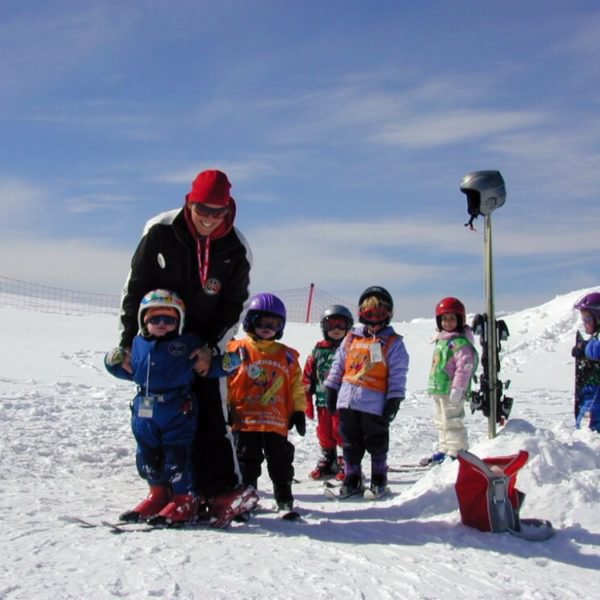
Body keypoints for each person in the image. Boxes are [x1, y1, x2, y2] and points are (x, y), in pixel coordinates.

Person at [115, 169, 255, 523]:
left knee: (209, 414)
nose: (208, 218)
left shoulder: (236, 248)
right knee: (155, 424)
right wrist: (128, 343)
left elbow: (234, 304)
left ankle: (221, 491)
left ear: (229, 209)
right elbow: (135, 288)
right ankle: (161, 491)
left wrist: (211, 349)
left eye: (217, 211)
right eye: (201, 209)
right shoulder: (161, 231)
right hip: (161, 337)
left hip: (203, 346)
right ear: (189, 202)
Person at [105, 289, 242, 525]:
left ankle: (184, 498)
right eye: (154, 319)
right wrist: (112, 360)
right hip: (144, 410)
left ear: (178, 321)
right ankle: (158, 495)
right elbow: (124, 369)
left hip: (177, 409)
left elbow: (210, 367)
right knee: (147, 456)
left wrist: (228, 363)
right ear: (143, 321)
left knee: (176, 456)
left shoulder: (186, 343)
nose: (161, 324)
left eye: (168, 319)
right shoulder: (137, 344)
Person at [324, 286, 409, 498]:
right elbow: (338, 365)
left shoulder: (393, 343)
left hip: (374, 404)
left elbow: (398, 373)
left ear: (388, 315)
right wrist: (331, 388)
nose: (374, 320)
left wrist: (394, 399)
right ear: (361, 314)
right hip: (348, 402)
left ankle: (379, 477)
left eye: (380, 314)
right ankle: (352, 478)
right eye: (369, 314)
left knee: (376, 442)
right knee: (350, 443)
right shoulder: (351, 339)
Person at [226, 293, 306, 512]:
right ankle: (246, 499)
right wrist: (225, 408)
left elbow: (296, 385)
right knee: (246, 462)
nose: (267, 327)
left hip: (275, 420)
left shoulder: (287, 356)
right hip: (245, 419)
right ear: (251, 321)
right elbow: (226, 380)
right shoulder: (236, 349)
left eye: (274, 323)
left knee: (280, 462)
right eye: (262, 322)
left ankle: (284, 497)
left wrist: (299, 410)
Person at [420, 297, 479, 466]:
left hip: (452, 389)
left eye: (452, 318)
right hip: (439, 388)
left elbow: (465, 365)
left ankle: (456, 451)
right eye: (444, 319)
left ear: (460, 319)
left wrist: (458, 387)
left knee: (452, 420)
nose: (448, 322)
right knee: (440, 420)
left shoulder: (459, 342)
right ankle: (444, 448)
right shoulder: (442, 339)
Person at [303, 304, 354, 480]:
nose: (336, 330)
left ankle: (345, 459)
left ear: (348, 327)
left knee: (340, 431)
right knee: (324, 431)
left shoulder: (351, 349)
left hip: (343, 402)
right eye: (331, 325)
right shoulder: (318, 350)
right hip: (323, 401)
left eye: (341, 325)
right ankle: (328, 457)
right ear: (324, 327)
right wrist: (307, 399)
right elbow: (308, 374)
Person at [572, 292, 600, 432]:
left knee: (589, 445)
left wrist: (585, 348)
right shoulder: (595, 336)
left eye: (588, 319)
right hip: (589, 401)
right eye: (583, 319)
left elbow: (597, 350)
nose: (585, 323)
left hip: (596, 405)